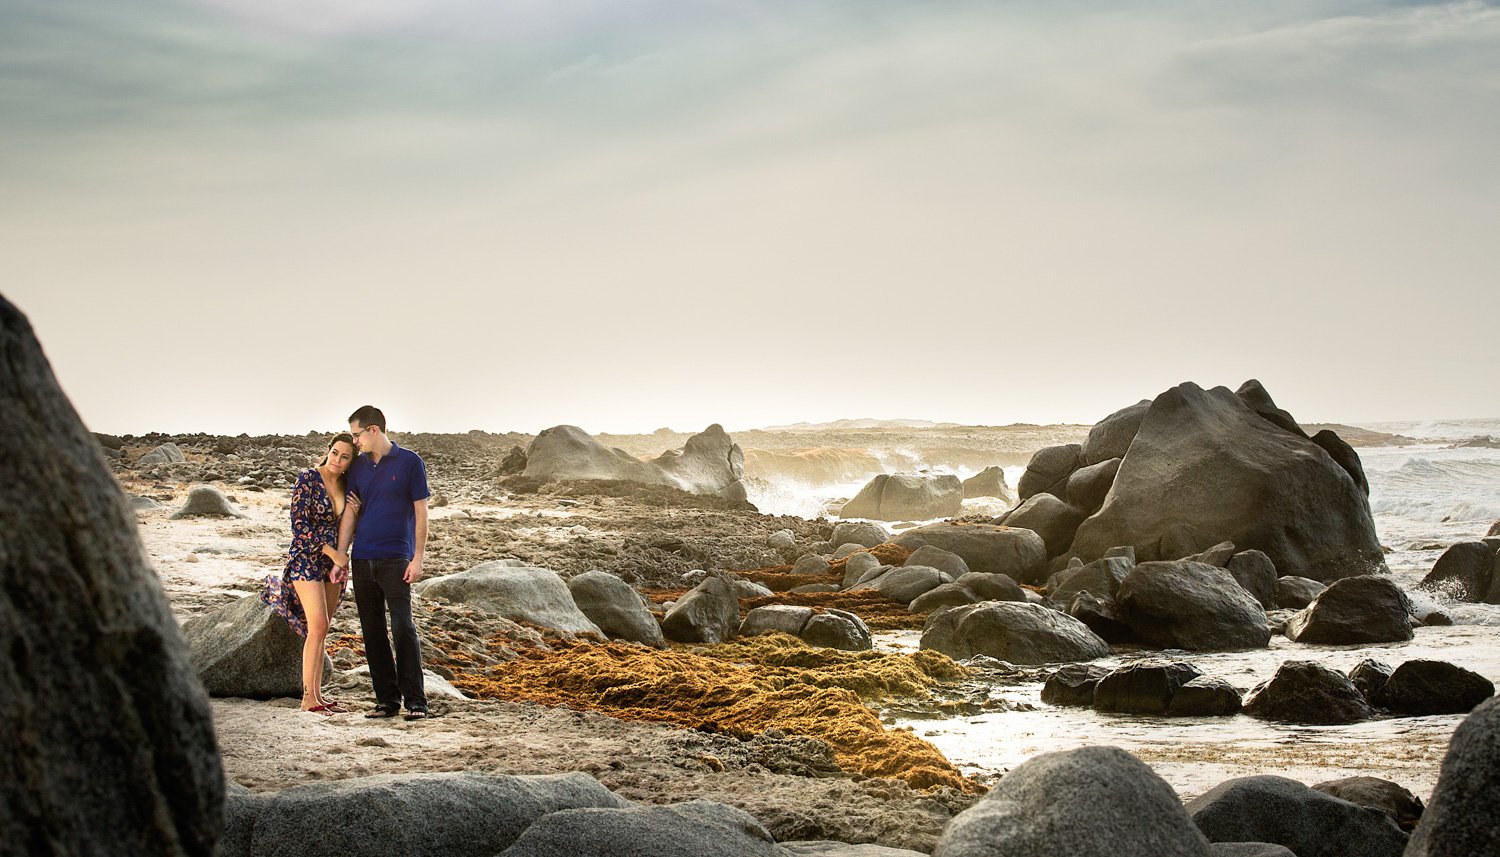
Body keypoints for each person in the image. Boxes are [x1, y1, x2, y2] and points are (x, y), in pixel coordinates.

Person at [334, 405, 431, 721]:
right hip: (363, 559)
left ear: (373, 430)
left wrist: (418, 558)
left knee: (403, 627)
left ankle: (416, 701)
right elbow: (350, 512)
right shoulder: (359, 468)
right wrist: (342, 555)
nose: (355, 441)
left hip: (396, 558)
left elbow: (421, 513)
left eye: (356, 434)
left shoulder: (410, 462)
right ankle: (387, 701)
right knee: (372, 630)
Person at [262, 433, 358, 714]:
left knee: (323, 629)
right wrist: (332, 553)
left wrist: (341, 558)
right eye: (335, 453)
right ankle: (308, 698)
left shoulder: (345, 484)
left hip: (332, 564)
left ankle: (317, 695)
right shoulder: (308, 478)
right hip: (306, 559)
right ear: (328, 451)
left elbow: (346, 524)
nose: (337, 460)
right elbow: (299, 526)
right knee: (316, 626)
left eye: (345, 457)